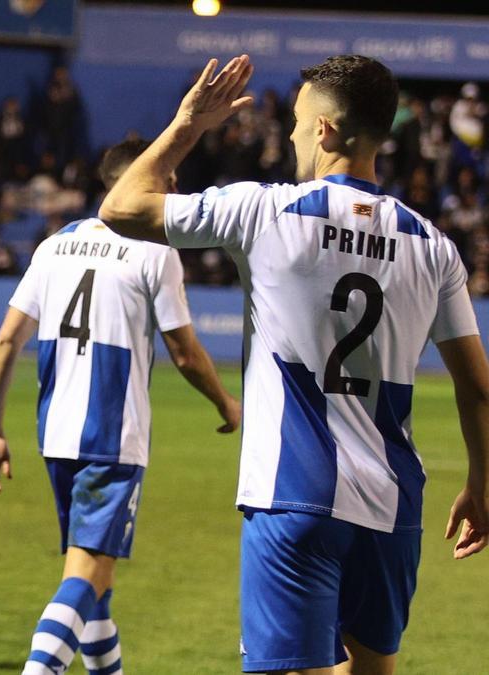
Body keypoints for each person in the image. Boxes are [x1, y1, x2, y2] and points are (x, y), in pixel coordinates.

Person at [100, 54, 489, 674]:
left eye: (299, 121)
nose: (290, 133)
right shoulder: (433, 247)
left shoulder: (264, 211)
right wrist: (481, 484)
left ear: (326, 132)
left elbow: (120, 209)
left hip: (293, 497)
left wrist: (186, 126)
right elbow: (477, 387)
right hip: (393, 506)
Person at [0, 138, 241, 675]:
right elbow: (186, 354)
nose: (176, 189)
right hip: (113, 438)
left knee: (99, 586)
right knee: (85, 577)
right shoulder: (155, 251)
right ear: (151, 180)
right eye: (170, 177)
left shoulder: (54, 246)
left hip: (57, 435)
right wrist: (227, 403)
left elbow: (6, 340)